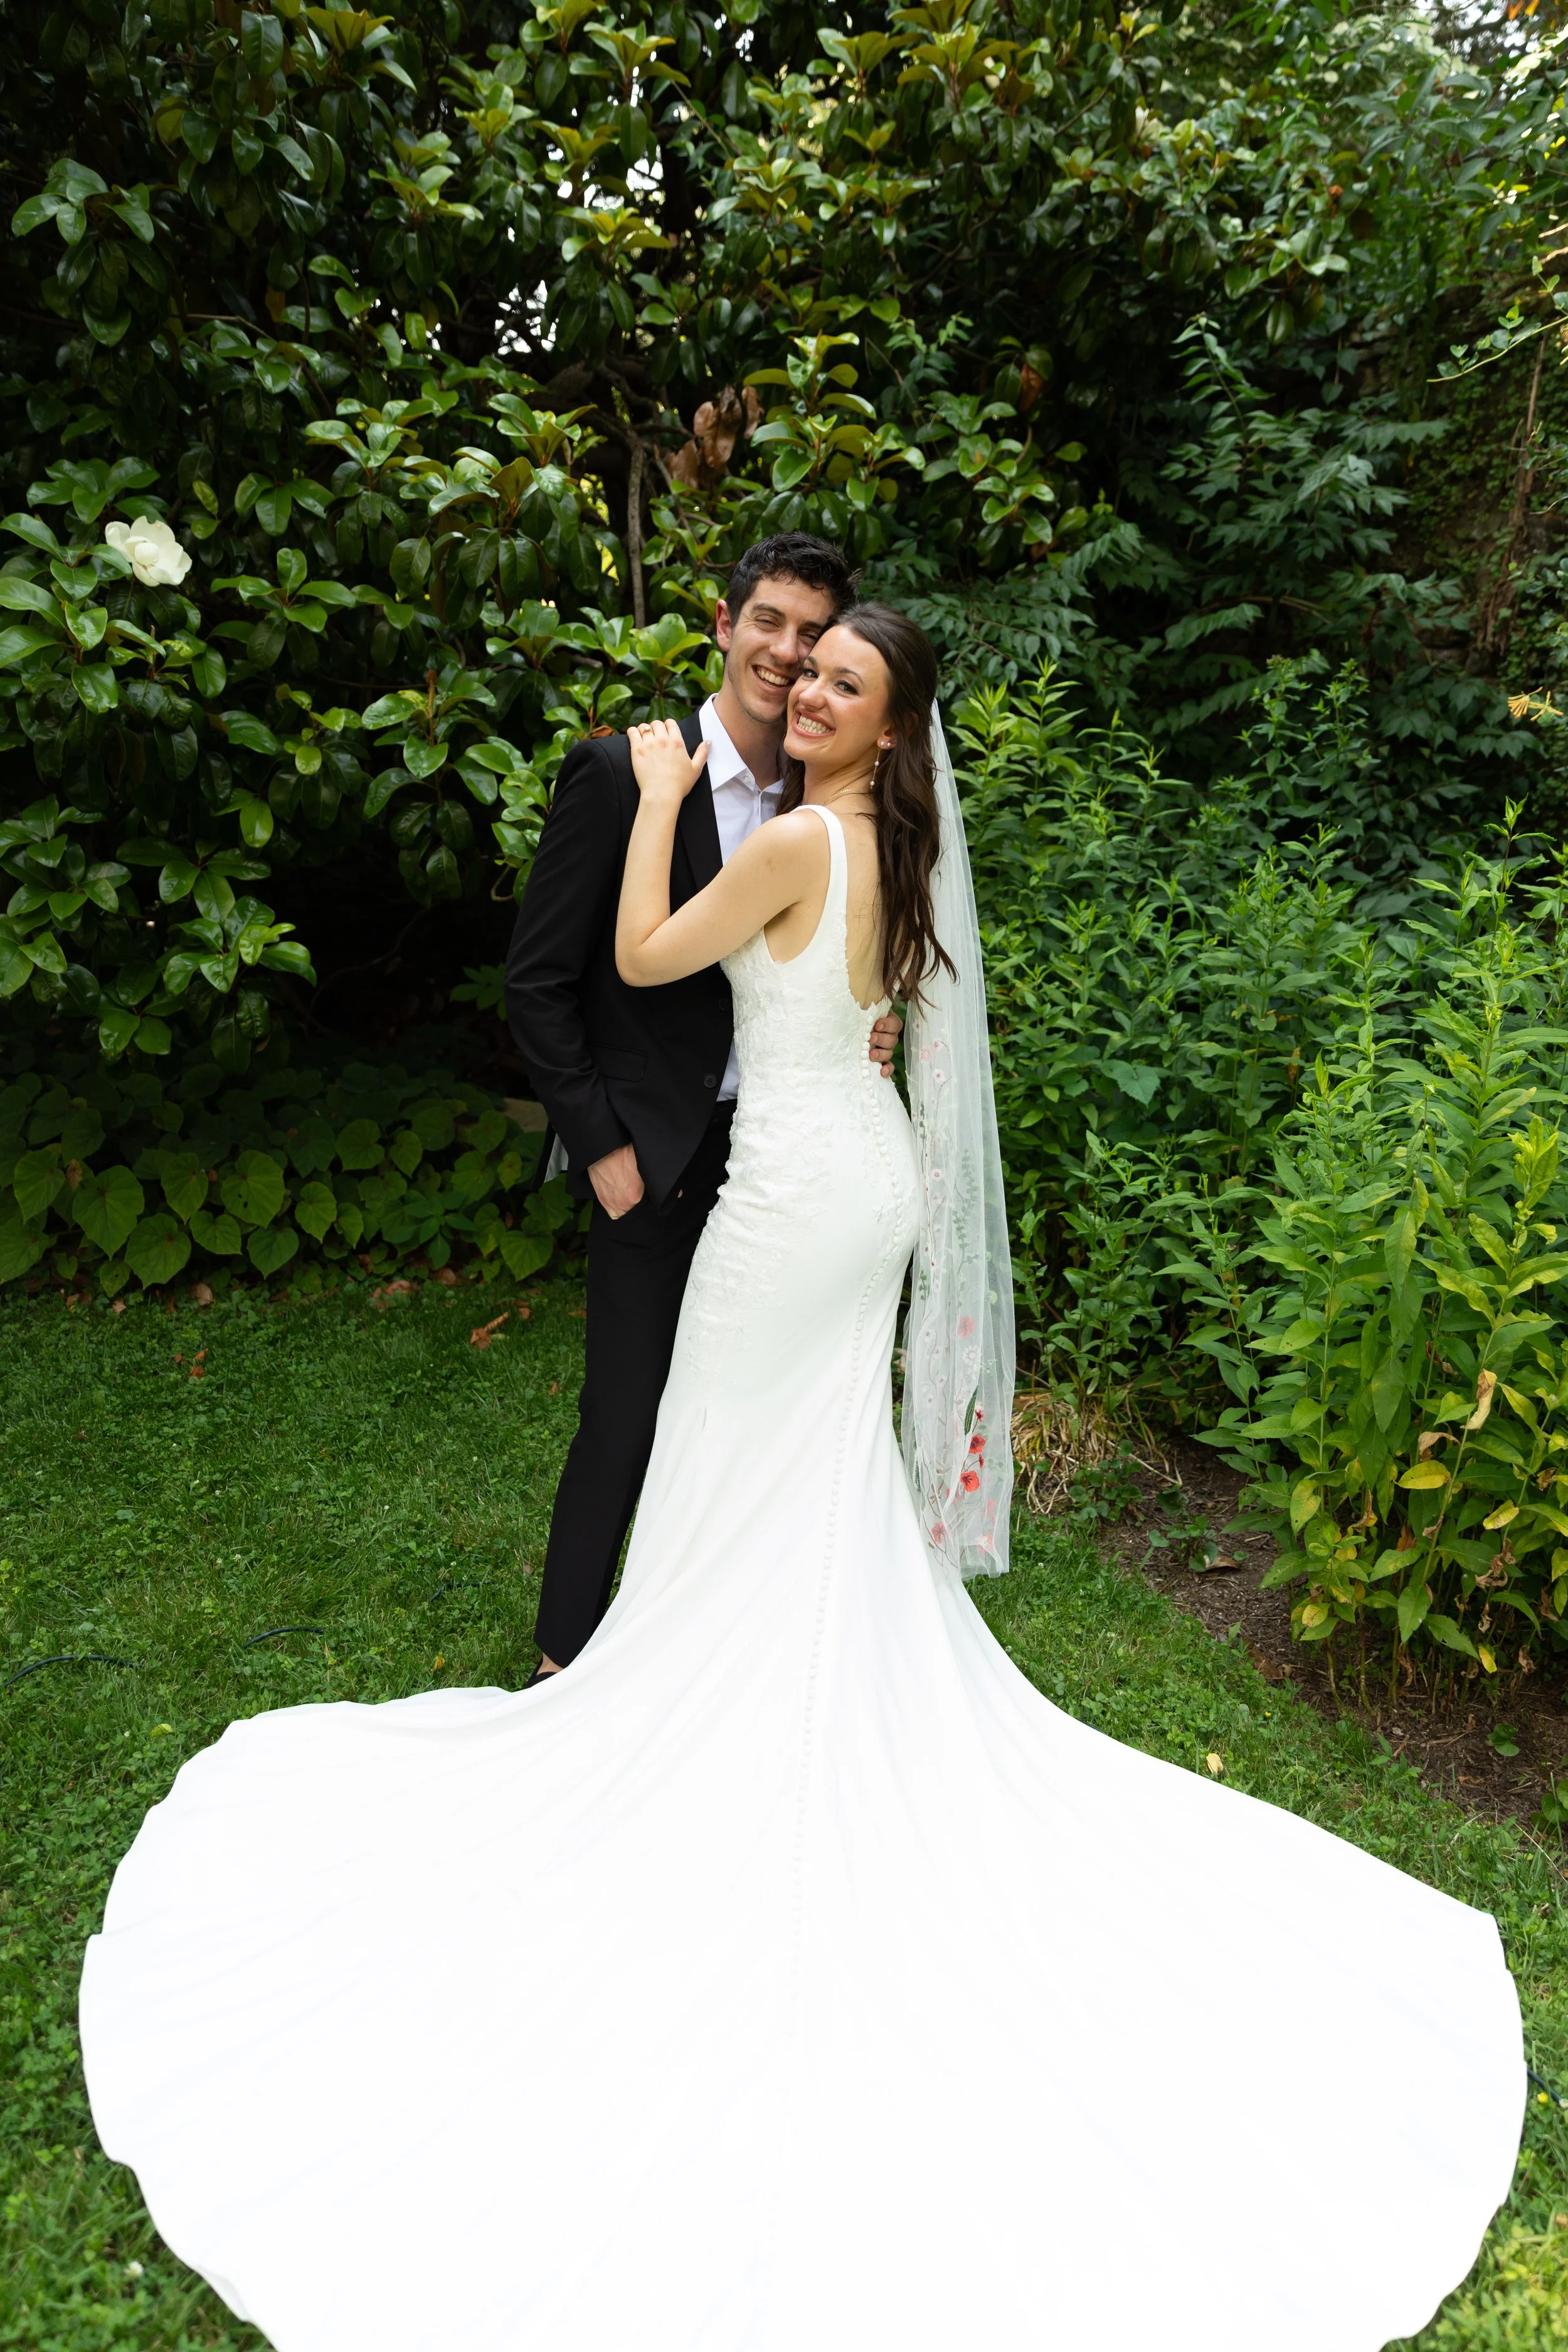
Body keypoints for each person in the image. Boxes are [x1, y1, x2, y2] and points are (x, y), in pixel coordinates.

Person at [79, 605, 1523, 2352]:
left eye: (843, 681)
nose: (810, 688)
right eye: (807, 667)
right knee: (800, 1470)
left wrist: (659, 790)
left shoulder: (778, 836)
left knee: (719, 1454)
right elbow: (882, 1037)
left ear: (880, 727)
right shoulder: (897, 855)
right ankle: (795, 1679)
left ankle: (706, 1713)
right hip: (866, 1183)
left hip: (788, 1209)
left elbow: (643, 950)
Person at [504, 531, 901, 1681]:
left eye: (814, 637)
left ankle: (735, 1654)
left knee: (765, 1416)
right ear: (724, 627)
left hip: (786, 1154)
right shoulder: (627, 772)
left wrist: (874, 1019)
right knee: (627, 1415)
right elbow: (537, 984)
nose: (789, 655)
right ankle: (563, 1658)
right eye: (768, 622)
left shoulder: (827, 784)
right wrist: (598, 1145)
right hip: (653, 1150)